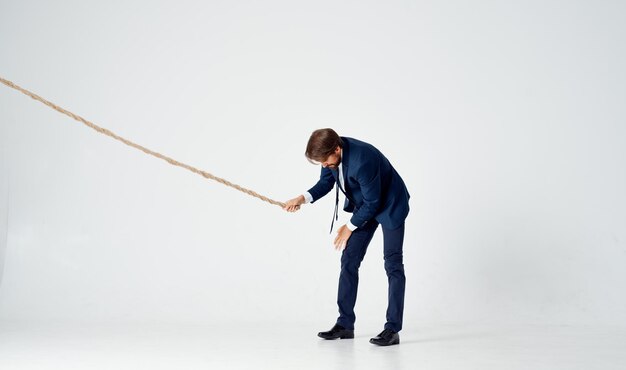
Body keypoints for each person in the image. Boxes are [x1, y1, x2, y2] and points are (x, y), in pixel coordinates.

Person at [284, 128, 410, 346]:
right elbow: (326, 183)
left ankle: (392, 329)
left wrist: (349, 226)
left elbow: (374, 203)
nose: (324, 165)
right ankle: (345, 324)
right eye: (320, 162)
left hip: (390, 205)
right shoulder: (330, 157)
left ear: (337, 148)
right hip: (366, 205)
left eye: (325, 161)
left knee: (393, 264)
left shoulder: (363, 159)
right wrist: (302, 198)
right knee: (349, 260)